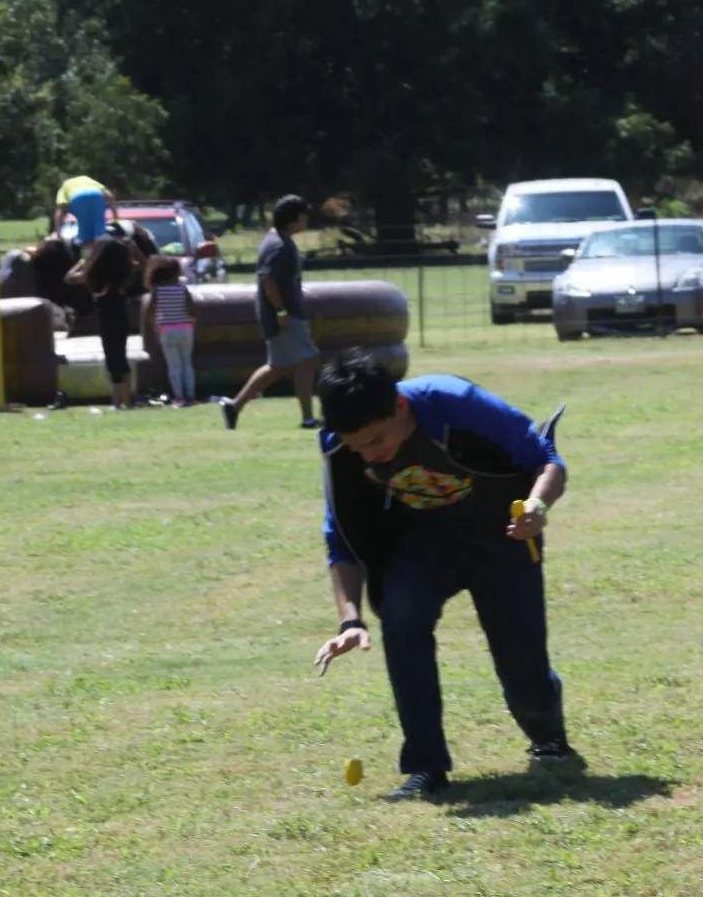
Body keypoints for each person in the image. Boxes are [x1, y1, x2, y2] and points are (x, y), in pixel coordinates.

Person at [310, 352, 585, 802]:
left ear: (399, 408)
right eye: (359, 447)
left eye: (377, 441)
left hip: (504, 536)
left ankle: (548, 737)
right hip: (423, 542)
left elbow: (546, 460)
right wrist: (350, 620)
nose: (370, 455)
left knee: (523, 664)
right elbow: (340, 536)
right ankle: (425, 766)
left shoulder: (456, 403)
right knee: (400, 614)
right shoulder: (340, 447)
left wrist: (537, 506)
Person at [220, 194, 320, 430]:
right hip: (283, 315)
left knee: (279, 367)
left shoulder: (280, 240)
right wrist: (281, 310)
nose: (307, 219)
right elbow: (267, 278)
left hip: (282, 314)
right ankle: (308, 418)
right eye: (304, 215)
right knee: (307, 360)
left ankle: (233, 407)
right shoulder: (278, 244)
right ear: (293, 219)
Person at [66, 234, 137, 409]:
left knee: (112, 360)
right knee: (120, 358)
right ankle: (126, 400)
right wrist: (132, 248)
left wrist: (85, 260)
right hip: (121, 316)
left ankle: (117, 401)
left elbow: (68, 278)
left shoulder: (95, 276)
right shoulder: (122, 273)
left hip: (107, 318)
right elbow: (140, 264)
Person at [144, 254, 197, 406]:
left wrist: (155, 325)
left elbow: (149, 312)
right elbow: (192, 311)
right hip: (186, 328)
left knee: (174, 365)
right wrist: (192, 323)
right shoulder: (182, 289)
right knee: (187, 363)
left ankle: (179, 397)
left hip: (166, 330)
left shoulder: (157, 291)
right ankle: (191, 396)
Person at [53, 174, 115, 246]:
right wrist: (116, 218)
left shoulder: (64, 186)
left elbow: (60, 210)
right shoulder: (87, 179)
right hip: (97, 196)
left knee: (85, 239)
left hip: (77, 198)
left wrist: (58, 233)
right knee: (100, 235)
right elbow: (110, 196)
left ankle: (87, 251)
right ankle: (101, 247)